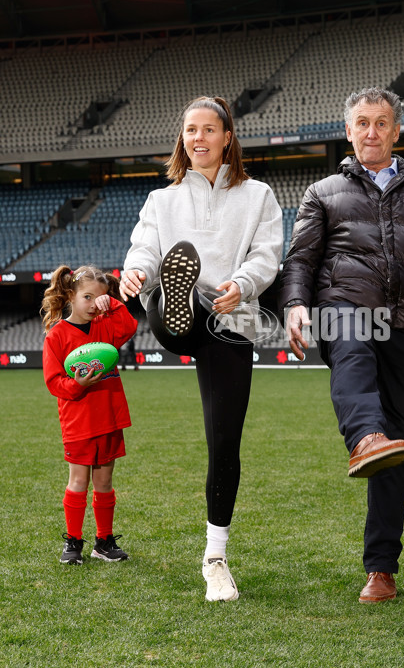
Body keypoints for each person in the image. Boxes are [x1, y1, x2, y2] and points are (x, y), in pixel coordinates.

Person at [278, 87, 404, 603]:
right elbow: (298, 260)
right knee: (352, 341)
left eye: (380, 123)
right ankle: (363, 436)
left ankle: (381, 568)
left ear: (395, 131)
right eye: (362, 122)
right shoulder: (320, 193)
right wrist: (296, 304)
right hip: (344, 306)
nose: (371, 132)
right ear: (349, 131)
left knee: (397, 446)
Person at [120, 95, 283, 602]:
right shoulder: (161, 201)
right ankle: (179, 293)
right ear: (183, 139)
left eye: (209, 130)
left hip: (231, 319)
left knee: (224, 441)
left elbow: (267, 254)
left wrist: (243, 282)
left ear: (227, 137)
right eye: (191, 130)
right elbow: (145, 244)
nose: (199, 139)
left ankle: (216, 558)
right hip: (176, 316)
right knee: (178, 297)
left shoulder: (259, 195)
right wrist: (138, 270)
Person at [41, 265, 138, 565]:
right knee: (79, 480)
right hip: (79, 421)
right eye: (87, 297)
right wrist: (77, 384)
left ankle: (104, 541)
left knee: (105, 481)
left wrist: (115, 304)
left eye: (101, 298)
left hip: (109, 416)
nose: (95, 304)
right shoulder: (56, 336)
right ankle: (73, 542)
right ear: (70, 295)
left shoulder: (106, 324)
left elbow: (130, 327)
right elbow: (54, 381)